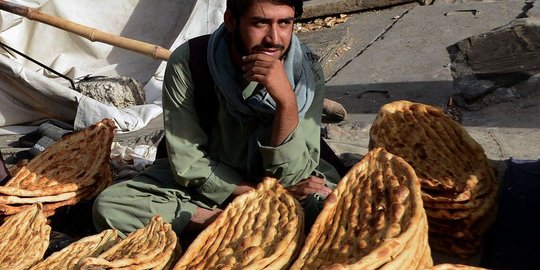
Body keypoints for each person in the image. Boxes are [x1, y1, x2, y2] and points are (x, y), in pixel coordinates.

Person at [93, 0, 341, 239]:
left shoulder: (306, 73)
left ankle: (240, 225)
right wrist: (259, 197)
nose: (274, 39)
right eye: (260, 23)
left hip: (287, 185)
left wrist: (286, 102)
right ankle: (229, 223)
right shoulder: (191, 62)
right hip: (214, 186)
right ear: (231, 21)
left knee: (334, 210)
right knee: (111, 206)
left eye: (284, 23)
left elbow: (294, 176)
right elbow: (188, 161)